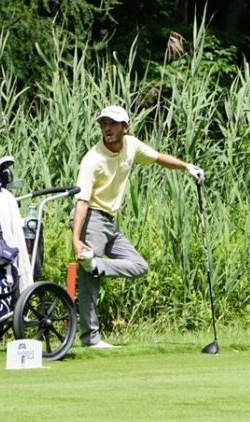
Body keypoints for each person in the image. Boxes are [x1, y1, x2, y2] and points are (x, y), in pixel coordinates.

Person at [71, 105, 205, 349]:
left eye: (112, 124)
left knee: (139, 265)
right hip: (91, 218)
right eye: (104, 123)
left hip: (109, 221)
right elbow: (81, 201)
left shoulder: (131, 145)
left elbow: (158, 158)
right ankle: (91, 339)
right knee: (90, 282)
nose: (107, 128)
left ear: (125, 127)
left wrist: (186, 166)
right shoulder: (93, 160)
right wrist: (76, 239)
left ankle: (96, 265)